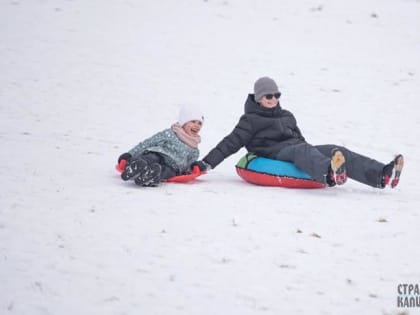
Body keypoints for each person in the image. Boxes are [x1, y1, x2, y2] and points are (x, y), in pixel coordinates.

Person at [193, 77, 403, 188]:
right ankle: (329, 174)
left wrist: (316, 153)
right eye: (268, 96)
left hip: (296, 148)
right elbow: (230, 143)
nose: (273, 99)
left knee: (335, 149)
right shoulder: (250, 120)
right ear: (258, 98)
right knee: (300, 150)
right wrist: (206, 163)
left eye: (276, 95)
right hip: (273, 153)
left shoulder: (287, 115)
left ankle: (382, 175)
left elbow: (301, 140)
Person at [117, 106, 204, 186]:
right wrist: (130, 154)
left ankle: (151, 175)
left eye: (200, 123)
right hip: (159, 154)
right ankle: (134, 166)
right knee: (150, 158)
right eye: (193, 121)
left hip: (173, 167)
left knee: (166, 171)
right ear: (183, 122)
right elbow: (148, 143)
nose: (197, 126)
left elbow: (188, 167)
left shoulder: (194, 149)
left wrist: (195, 167)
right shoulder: (171, 133)